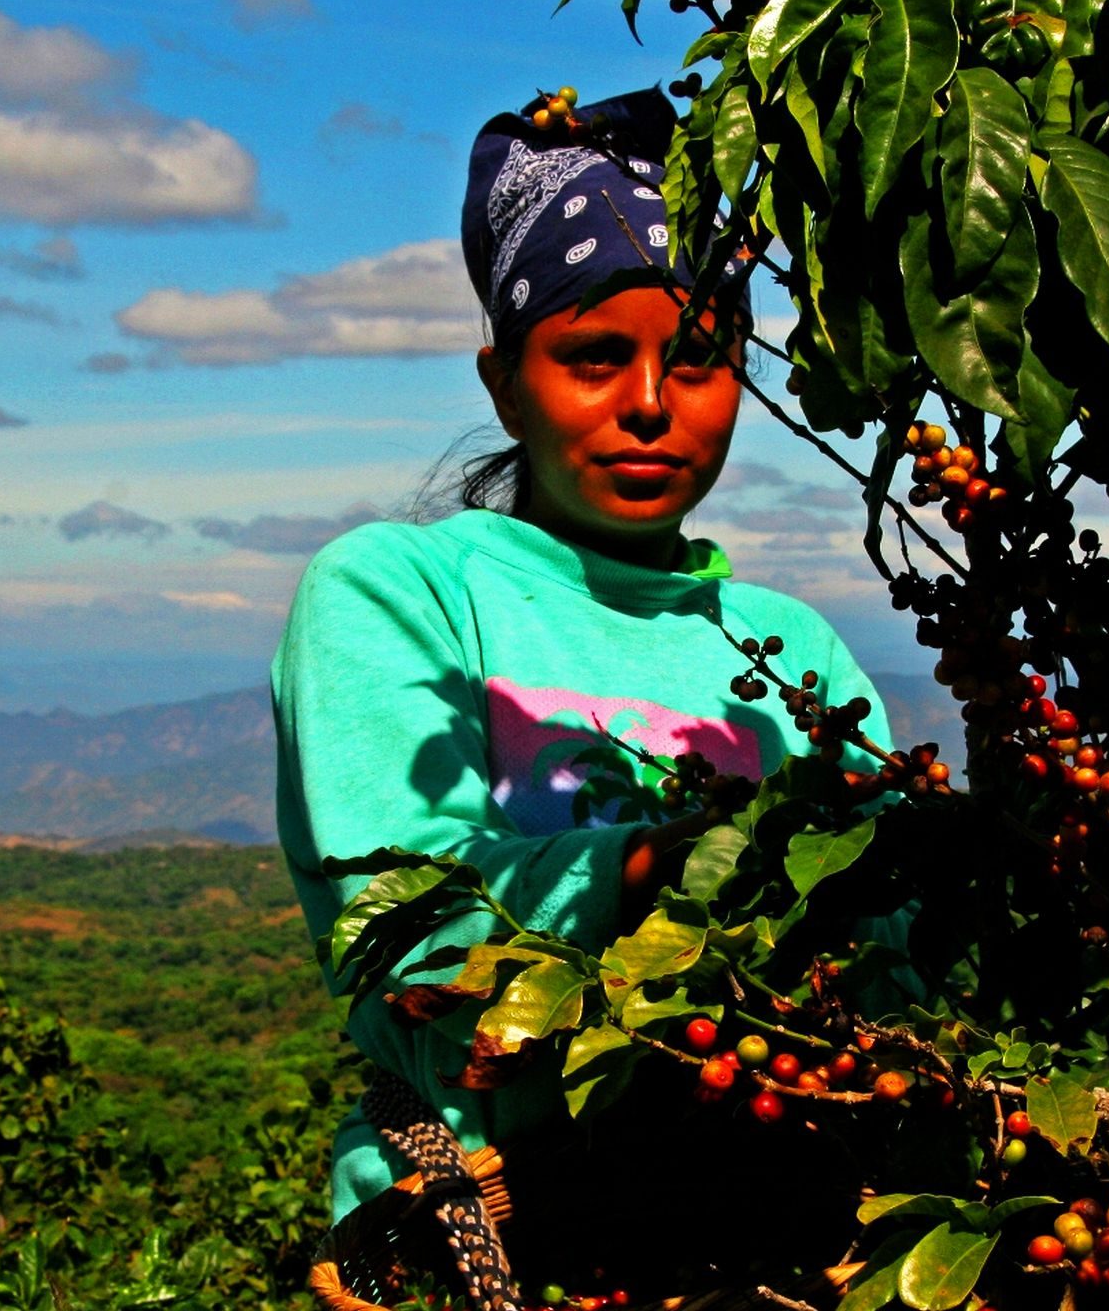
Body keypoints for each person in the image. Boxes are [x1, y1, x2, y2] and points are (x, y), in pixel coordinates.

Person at [273, 88, 897, 1287]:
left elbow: (897, 952)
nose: (651, 403)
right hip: (490, 1237)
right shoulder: (400, 591)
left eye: (699, 359)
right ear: (506, 384)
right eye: (595, 357)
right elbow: (414, 931)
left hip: (785, 1238)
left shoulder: (795, 650)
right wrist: (685, 863)